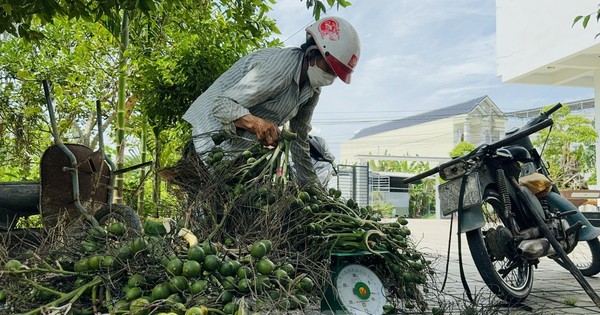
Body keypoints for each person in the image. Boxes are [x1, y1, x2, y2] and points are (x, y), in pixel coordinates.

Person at [180, 16, 360, 188]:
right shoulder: (281, 69)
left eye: (336, 75)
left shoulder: (312, 91)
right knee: (209, 213)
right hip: (209, 144)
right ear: (313, 53)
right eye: (329, 69)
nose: (331, 77)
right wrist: (256, 123)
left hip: (237, 155)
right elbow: (222, 105)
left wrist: (313, 188)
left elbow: (299, 140)